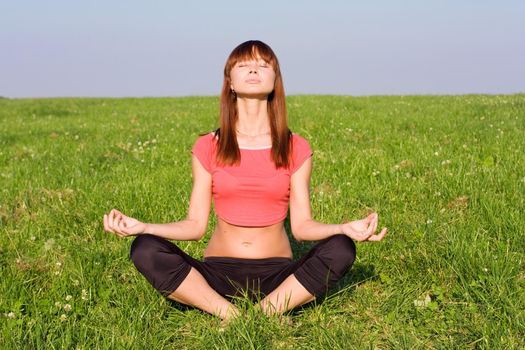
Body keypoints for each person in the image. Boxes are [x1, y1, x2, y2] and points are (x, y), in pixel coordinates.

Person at [103, 40, 387, 321]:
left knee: (341, 248)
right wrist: (145, 227)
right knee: (145, 247)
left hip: (278, 276)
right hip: (217, 274)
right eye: (244, 65)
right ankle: (229, 313)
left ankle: (266, 311)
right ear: (230, 82)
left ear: (276, 80)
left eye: (264, 65)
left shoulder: (295, 147)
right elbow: (194, 226)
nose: (254, 70)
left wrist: (343, 228)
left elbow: (301, 227)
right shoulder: (208, 146)